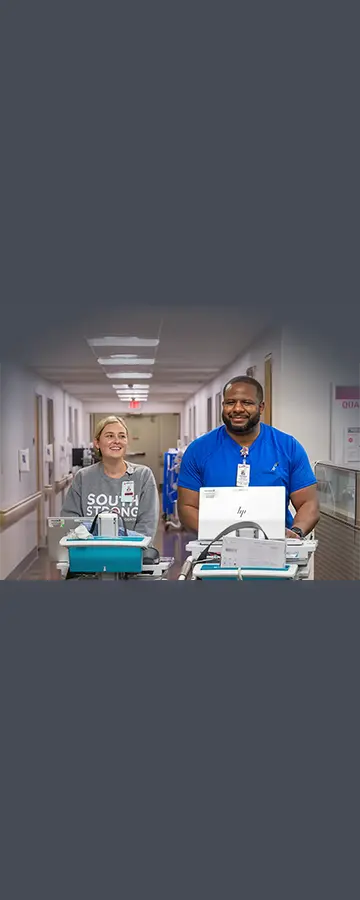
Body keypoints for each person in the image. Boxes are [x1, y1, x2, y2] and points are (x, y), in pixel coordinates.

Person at [177, 375, 319, 538]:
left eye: (247, 403)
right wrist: (219, 537)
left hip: (277, 547)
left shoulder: (288, 447)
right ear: (223, 406)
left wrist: (296, 532)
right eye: (230, 403)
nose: (237, 409)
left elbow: (308, 503)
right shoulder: (199, 450)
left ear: (261, 407)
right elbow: (187, 507)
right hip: (216, 550)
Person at [61, 415, 159, 540]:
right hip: (90, 553)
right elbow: (70, 520)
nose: (116, 441)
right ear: (97, 443)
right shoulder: (84, 477)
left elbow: (147, 525)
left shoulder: (143, 476)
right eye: (109, 436)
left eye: (122, 436)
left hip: (132, 553)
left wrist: (127, 546)